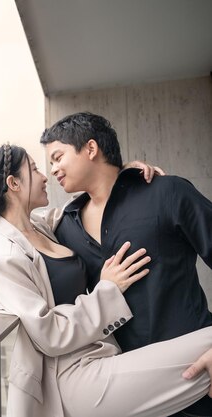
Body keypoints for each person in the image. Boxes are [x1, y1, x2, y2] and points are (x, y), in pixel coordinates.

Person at [0, 144, 212, 417]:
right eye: (35, 169)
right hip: (73, 377)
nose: (45, 175)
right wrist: (108, 289)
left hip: (99, 355)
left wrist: (121, 180)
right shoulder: (5, 255)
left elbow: (84, 208)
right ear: (13, 183)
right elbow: (49, 334)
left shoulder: (37, 225)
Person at [40, 112, 212, 416]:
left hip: (199, 376)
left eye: (57, 157)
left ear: (90, 149)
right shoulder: (64, 230)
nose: (52, 169)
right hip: (126, 395)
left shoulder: (167, 192)